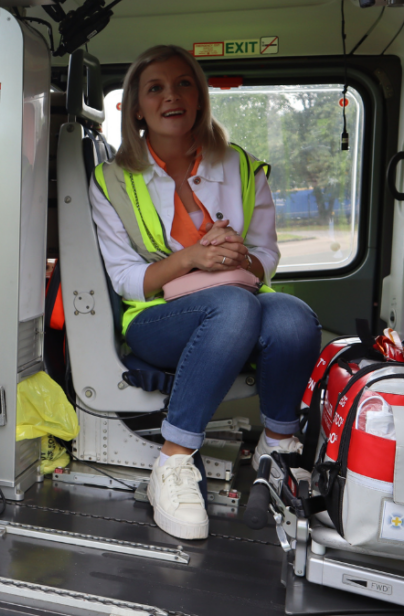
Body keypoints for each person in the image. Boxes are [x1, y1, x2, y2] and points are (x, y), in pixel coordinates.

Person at [90, 44, 320, 541]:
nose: (171, 96)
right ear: (136, 107)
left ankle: (277, 448)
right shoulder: (111, 180)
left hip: (237, 295)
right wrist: (191, 259)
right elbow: (125, 278)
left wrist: (239, 256)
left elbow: (267, 257)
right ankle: (172, 465)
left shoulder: (239, 165)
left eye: (183, 84)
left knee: (294, 317)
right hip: (155, 318)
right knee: (236, 306)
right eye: (155, 88)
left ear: (199, 98)